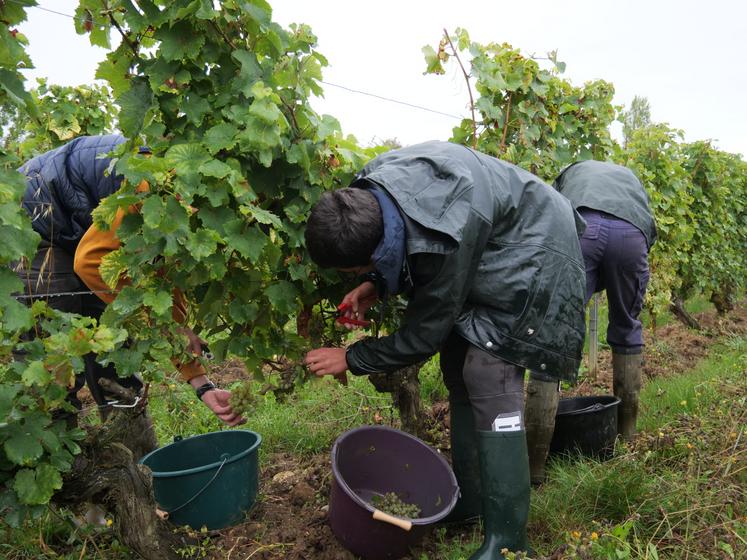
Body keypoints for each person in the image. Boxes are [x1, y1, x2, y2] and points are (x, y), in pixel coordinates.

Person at [303, 141, 587, 556]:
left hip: (539, 252)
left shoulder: (450, 231)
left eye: (355, 269)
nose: (354, 275)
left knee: (488, 373)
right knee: (457, 369)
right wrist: (376, 283)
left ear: (373, 251)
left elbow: (423, 335)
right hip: (489, 246)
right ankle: (471, 503)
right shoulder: (372, 189)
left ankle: (509, 541)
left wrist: (351, 357)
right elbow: (410, 244)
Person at [15, 134, 242, 426]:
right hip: (33, 218)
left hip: (80, 229)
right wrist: (170, 329)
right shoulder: (159, 188)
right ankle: (59, 460)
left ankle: (132, 457)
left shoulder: (191, 208)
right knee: (55, 358)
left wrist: (201, 384)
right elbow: (89, 262)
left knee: (113, 336)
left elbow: (165, 290)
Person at [524, 160, 656, 481]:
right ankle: (625, 440)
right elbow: (647, 226)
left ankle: (534, 467)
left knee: (553, 334)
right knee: (627, 327)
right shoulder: (629, 178)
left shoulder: (568, 174)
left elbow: (552, 218)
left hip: (584, 229)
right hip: (632, 234)